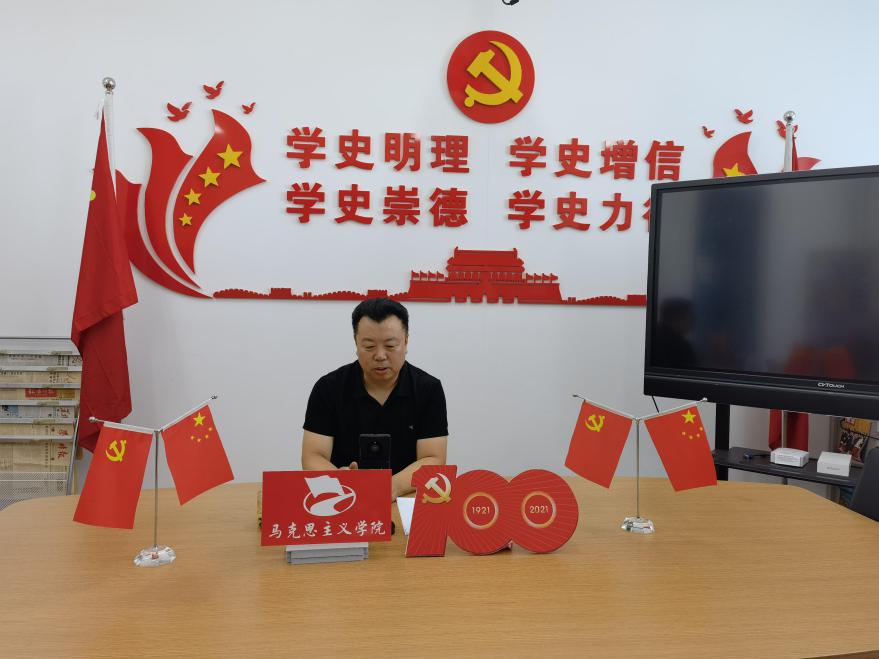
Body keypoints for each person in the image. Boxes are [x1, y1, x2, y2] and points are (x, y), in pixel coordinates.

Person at [301, 297, 448, 499]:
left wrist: (391, 487)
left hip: (405, 499)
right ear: (356, 343)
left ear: (406, 342)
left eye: (390, 345)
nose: (380, 355)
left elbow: (434, 458)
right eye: (369, 346)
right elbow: (312, 456)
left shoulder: (428, 389)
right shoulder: (328, 388)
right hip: (343, 498)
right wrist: (340, 479)